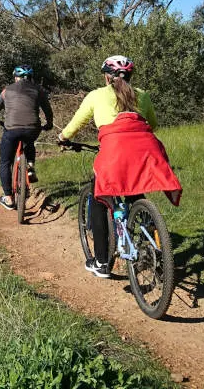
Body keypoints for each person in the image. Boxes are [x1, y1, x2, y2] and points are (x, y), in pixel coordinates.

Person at [58, 55, 181, 278]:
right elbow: (151, 124)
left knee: (98, 198)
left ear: (107, 76)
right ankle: (152, 246)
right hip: (145, 148)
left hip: (114, 148)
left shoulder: (96, 95)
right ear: (130, 75)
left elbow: (76, 123)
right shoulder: (142, 95)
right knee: (135, 189)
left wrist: (63, 137)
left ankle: (102, 262)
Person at [0, 65, 54, 211]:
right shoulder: (38, 90)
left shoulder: (7, 90)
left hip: (11, 129)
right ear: (30, 77)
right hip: (32, 128)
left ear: (16, 77)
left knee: (5, 162)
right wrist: (49, 123)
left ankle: (9, 198)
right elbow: (47, 110)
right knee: (29, 140)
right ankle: (30, 165)